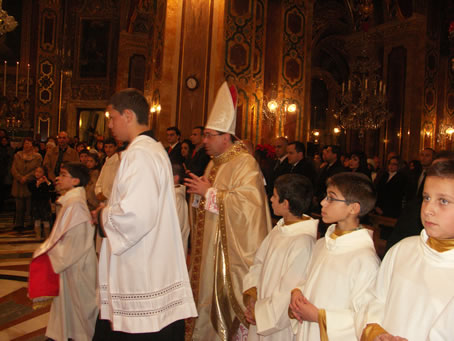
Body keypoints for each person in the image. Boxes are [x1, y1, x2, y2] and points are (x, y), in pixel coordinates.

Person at [91, 88, 197, 340]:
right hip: (146, 263)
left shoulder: (141, 154)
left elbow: (136, 216)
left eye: (111, 117)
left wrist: (103, 216)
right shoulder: (149, 149)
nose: (109, 125)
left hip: (140, 270)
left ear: (127, 115)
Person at [184, 82, 272, 341]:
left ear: (226, 137)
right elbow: (207, 201)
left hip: (226, 256)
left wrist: (209, 194)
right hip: (207, 252)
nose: (204, 141)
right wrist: (197, 196)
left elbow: (249, 207)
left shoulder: (245, 163)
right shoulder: (214, 163)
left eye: (209, 135)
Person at [360, 160, 454, 341]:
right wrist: (376, 333)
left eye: (443, 201)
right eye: (426, 198)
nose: (428, 210)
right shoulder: (403, 250)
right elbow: (374, 299)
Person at [289, 172, 380, 341]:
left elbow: (364, 316)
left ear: (353, 208)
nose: (323, 202)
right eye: (326, 196)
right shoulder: (323, 244)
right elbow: (310, 281)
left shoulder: (365, 259)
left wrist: (320, 317)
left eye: (331, 198)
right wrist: (297, 293)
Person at [242, 174, 318, 340]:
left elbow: (288, 292)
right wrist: (253, 299)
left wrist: (261, 315)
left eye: (275, 196)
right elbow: (259, 263)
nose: (270, 199)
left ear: (286, 204)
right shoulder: (281, 228)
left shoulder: (303, 242)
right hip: (261, 308)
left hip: (279, 325)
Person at [29, 162, 98, 341]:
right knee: (69, 309)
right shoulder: (70, 202)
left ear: (75, 181)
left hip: (77, 266)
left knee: (80, 309)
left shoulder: (75, 205)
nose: (58, 178)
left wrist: (50, 255)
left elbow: (75, 243)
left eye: (63, 174)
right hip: (71, 265)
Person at [11, 137, 43, 231]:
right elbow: (13, 168)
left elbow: (37, 169)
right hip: (18, 183)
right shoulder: (18, 155)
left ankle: (30, 223)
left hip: (30, 183)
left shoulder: (37, 156)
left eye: (29, 143)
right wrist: (19, 177)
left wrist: (27, 177)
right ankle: (18, 224)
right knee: (19, 206)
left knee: (30, 206)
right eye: (25, 143)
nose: (27, 145)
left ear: (32, 145)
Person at [27, 165, 53, 239]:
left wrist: (46, 181)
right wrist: (37, 184)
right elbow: (32, 191)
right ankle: (38, 234)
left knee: (46, 219)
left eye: (40, 172)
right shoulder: (32, 182)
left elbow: (52, 188)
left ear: (44, 173)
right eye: (36, 172)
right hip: (36, 203)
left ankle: (47, 235)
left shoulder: (47, 181)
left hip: (44, 203)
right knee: (37, 219)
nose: (37, 173)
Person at [172, 162, 190, 256]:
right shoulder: (172, 195)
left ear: (175, 178)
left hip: (173, 251)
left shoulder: (177, 198)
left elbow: (176, 227)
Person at [95, 138, 120, 203]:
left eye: (110, 147)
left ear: (115, 147)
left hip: (112, 198)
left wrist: (106, 195)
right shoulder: (106, 160)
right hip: (102, 197)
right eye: (106, 147)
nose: (108, 150)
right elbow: (100, 179)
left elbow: (116, 181)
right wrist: (98, 192)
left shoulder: (118, 161)